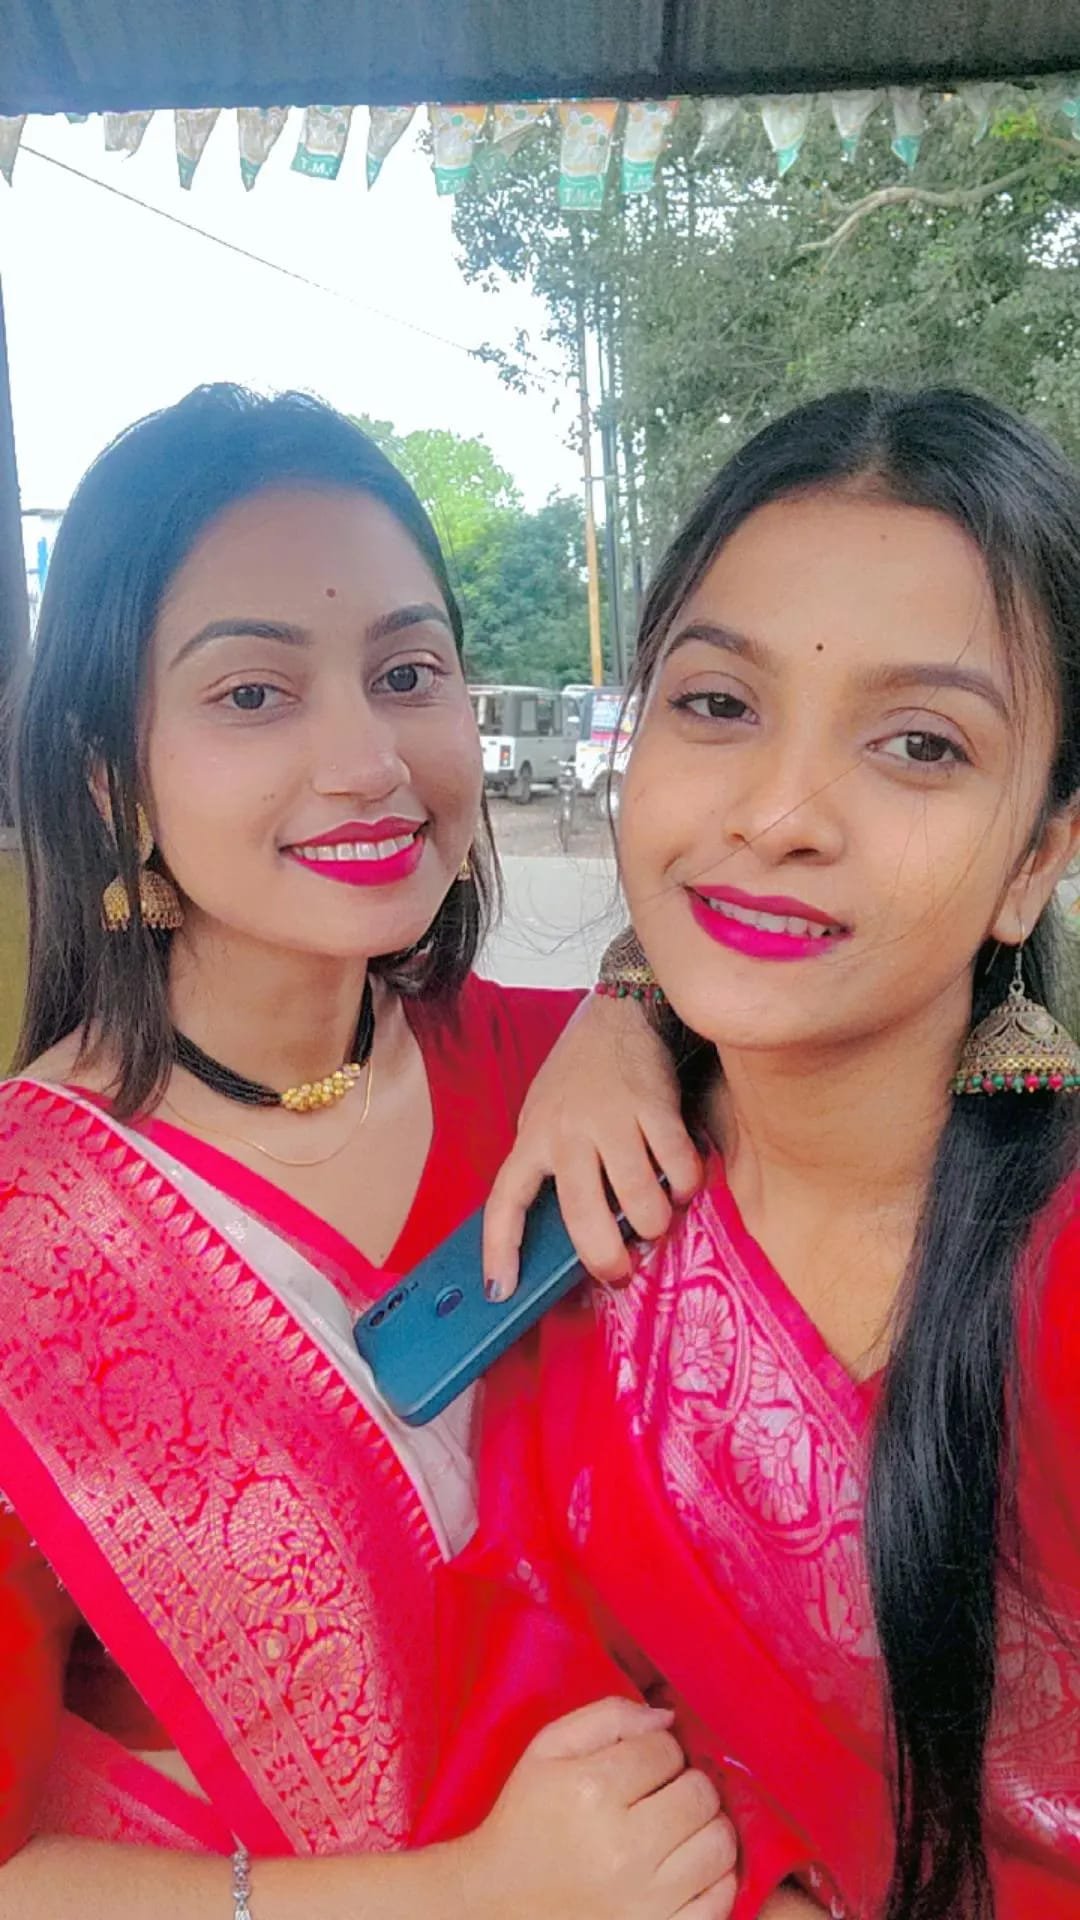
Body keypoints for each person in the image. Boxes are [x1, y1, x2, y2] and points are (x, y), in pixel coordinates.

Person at [0, 384, 734, 1919]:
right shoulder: (30, 1237)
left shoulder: (566, 1078)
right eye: (252, 693)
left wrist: (632, 997)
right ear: (107, 776)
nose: (369, 761)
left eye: (408, 674)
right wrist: (472, 1894)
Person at [425, 388, 1080, 1919]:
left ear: (1034, 862)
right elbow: (526, 1669)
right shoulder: (583, 1199)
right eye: (719, 705)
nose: (781, 814)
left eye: (918, 743)